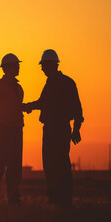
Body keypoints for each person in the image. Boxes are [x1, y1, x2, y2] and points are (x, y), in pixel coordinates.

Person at [24, 49, 84, 208]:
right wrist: (27, 106)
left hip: (58, 129)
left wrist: (76, 129)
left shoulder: (65, 83)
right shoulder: (54, 82)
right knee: (51, 164)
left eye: (43, 66)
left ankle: (63, 199)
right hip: (52, 129)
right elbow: (43, 102)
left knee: (60, 164)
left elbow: (77, 109)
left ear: (51, 65)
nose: (42, 69)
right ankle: (56, 198)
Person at [0, 53, 24, 204]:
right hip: (3, 131)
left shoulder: (18, 87)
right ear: (6, 68)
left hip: (16, 131)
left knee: (15, 168)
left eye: (18, 65)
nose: (18, 68)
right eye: (16, 65)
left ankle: (13, 199)